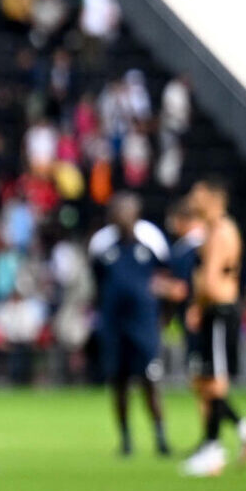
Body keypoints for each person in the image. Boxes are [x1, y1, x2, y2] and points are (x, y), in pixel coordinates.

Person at [179, 177, 246, 476]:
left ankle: (213, 450)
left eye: (198, 193)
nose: (193, 198)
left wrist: (198, 304)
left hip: (220, 311)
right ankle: (244, 431)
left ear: (214, 199)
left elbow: (213, 282)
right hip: (214, 311)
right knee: (203, 380)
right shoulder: (212, 230)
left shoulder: (220, 232)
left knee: (214, 381)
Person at [87, 192, 173, 459]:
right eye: (116, 211)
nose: (121, 216)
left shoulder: (151, 239)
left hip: (144, 323)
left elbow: (166, 277)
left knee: (150, 379)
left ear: (136, 213)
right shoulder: (101, 243)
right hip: (114, 324)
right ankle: (125, 440)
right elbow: (97, 281)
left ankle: (160, 437)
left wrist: (163, 317)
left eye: (126, 210)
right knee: (119, 382)